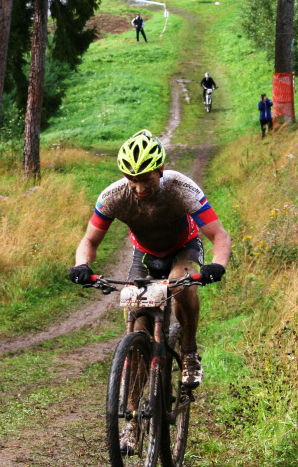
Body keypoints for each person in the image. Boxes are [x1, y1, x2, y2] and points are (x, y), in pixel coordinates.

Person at [69, 129, 232, 395]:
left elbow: (219, 235)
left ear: (161, 169)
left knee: (183, 284)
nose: (139, 187)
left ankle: (189, 353)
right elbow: (89, 241)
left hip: (184, 248)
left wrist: (218, 265)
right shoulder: (113, 196)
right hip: (144, 255)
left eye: (146, 179)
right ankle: (131, 422)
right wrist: (82, 266)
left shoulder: (180, 187)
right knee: (138, 330)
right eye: (132, 179)